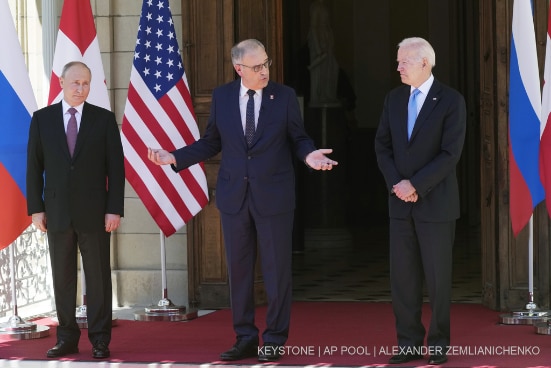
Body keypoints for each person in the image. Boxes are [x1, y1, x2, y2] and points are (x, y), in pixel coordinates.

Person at [148, 38, 338, 362]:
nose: (264, 71)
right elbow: (211, 143)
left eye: (266, 64)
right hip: (234, 196)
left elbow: (299, 138)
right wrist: (175, 157)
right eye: (257, 66)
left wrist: (309, 156)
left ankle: (275, 338)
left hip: (274, 197)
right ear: (239, 69)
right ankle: (245, 337)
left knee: (277, 272)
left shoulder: (285, 96)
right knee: (239, 273)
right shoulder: (222, 97)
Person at [374, 37, 466, 366]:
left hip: (436, 205)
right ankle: (409, 343)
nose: (398, 67)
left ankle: (439, 344)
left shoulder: (451, 101)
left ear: (424, 63)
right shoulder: (393, 99)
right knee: (404, 280)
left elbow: (450, 154)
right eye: (399, 61)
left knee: (438, 280)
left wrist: (416, 184)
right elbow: (382, 146)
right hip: (400, 204)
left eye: (404, 62)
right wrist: (398, 185)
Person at [26, 61, 125, 359]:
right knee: (63, 278)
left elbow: (116, 169)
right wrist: (36, 209)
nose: (80, 89)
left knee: (98, 278)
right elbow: (34, 167)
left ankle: (99, 339)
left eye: (86, 84)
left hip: (96, 212)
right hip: (56, 212)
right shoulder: (42, 119)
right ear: (61, 82)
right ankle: (66, 338)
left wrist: (114, 209)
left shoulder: (103, 119)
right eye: (75, 83)